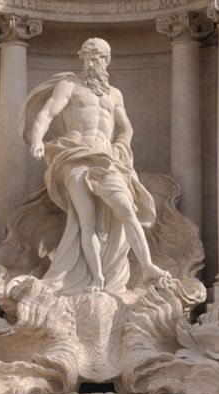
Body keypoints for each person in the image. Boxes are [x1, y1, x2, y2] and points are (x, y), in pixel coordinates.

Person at [22, 37, 170, 294]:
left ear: (108, 60)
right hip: (76, 157)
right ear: (82, 58)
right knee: (84, 221)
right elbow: (47, 113)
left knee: (127, 211)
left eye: (100, 56)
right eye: (89, 56)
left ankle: (147, 267)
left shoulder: (114, 94)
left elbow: (126, 127)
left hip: (107, 160)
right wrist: (37, 140)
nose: (94, 61)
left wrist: (121, 146)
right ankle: (97, 277)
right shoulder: (70, 85)